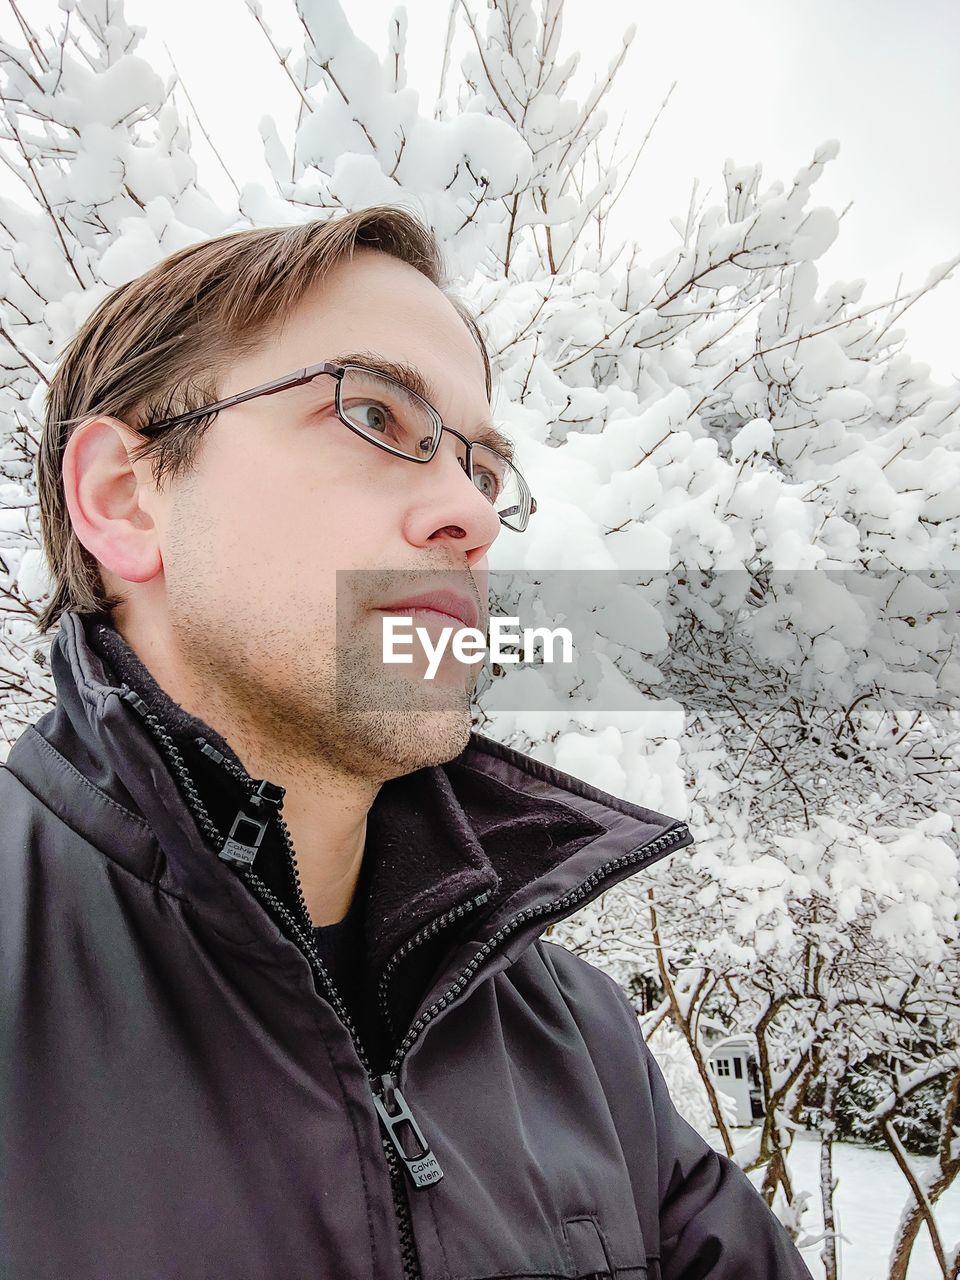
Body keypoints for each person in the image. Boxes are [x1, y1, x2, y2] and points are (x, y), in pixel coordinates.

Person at [0, 207, 812, 1279]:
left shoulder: (579, 1038)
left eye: (483, 468)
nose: (467, 514)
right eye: (376, 414)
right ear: (125, 497)